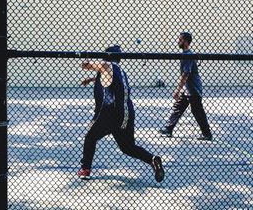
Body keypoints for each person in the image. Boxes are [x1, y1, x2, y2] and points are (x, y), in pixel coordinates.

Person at [77, 45, 165, 182]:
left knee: (90, 137)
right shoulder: (120, 70)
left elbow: (87, 65)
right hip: (127, 112)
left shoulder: (105, 65)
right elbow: (110, 80)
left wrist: (86, 58)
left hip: (109, 113)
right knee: (128, 147)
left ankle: (85, 169)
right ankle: (152, 159)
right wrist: (92, 80)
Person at [158, 32, 213, 140]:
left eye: (180, 39)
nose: (178, 41)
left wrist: (178, 90)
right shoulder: (186, 54)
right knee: (178, 107)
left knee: (197, 111)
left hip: (193, 89)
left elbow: (186, 74)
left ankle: (207, 134)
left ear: (185, 41)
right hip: (188, 89)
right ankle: (168, 129)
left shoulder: (188, 55)